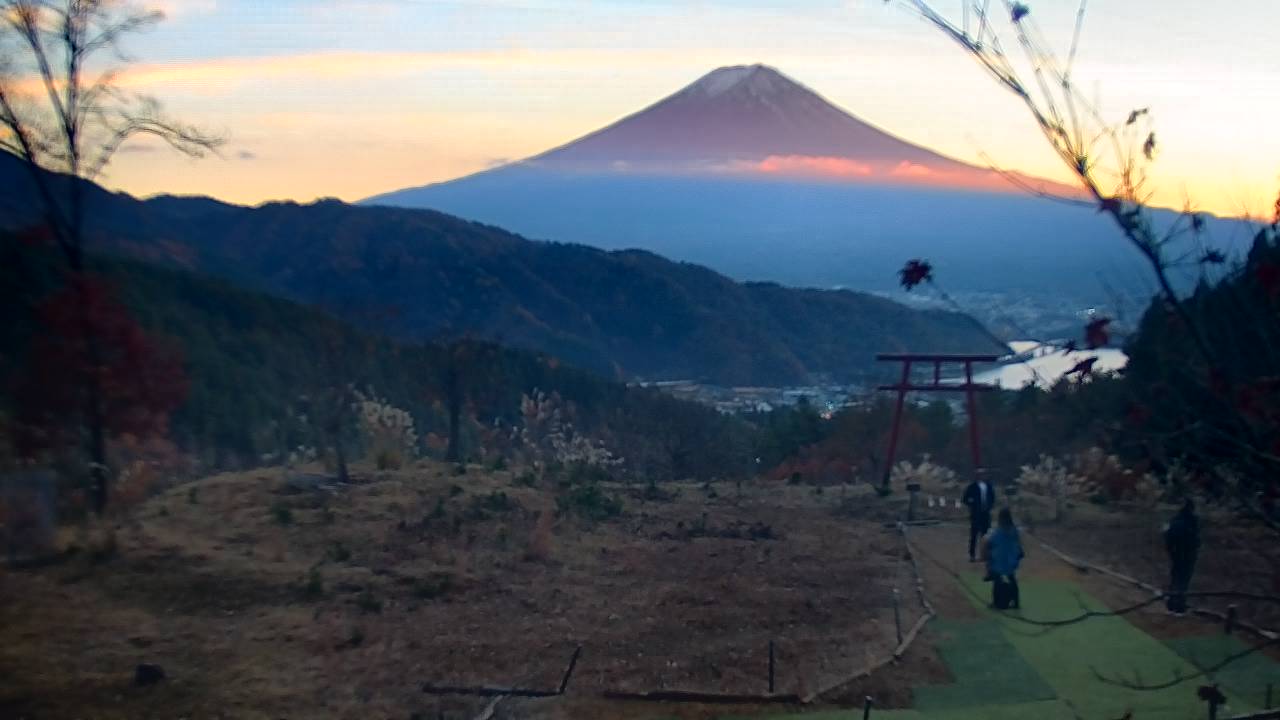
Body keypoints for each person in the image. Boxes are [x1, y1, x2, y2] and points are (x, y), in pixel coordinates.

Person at [1164, 498, 1201, 616]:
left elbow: (1167, 537)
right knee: (1183, 580)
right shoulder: (1192, 521)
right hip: (1187, 554)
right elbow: (1195, 539)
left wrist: (1171, 551)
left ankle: (1171, 605)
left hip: (1176, 554)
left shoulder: (1174, 520)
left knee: (1175, 577)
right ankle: (1179, 607)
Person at [985, 507, 1024, 610]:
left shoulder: (998, 532)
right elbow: (1018, 544)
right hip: (1011, 561)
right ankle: (1016, 603)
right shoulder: (1014, 530)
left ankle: (995, 603)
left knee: (996, 581)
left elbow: (990, 543)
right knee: (1012, 580)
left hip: (999, 562)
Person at [962, 473, 996, 561]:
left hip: (985, 514)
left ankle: (985, 554)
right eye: (980, 475)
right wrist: (972, 504)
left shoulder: (988, 486)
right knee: (974, 535)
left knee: (986, 535)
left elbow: (992, 497)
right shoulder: (972, 486)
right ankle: (972, 555)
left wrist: (990, 506)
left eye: (983, 474)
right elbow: (965, 499)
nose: (982, 476)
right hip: (976, 514)